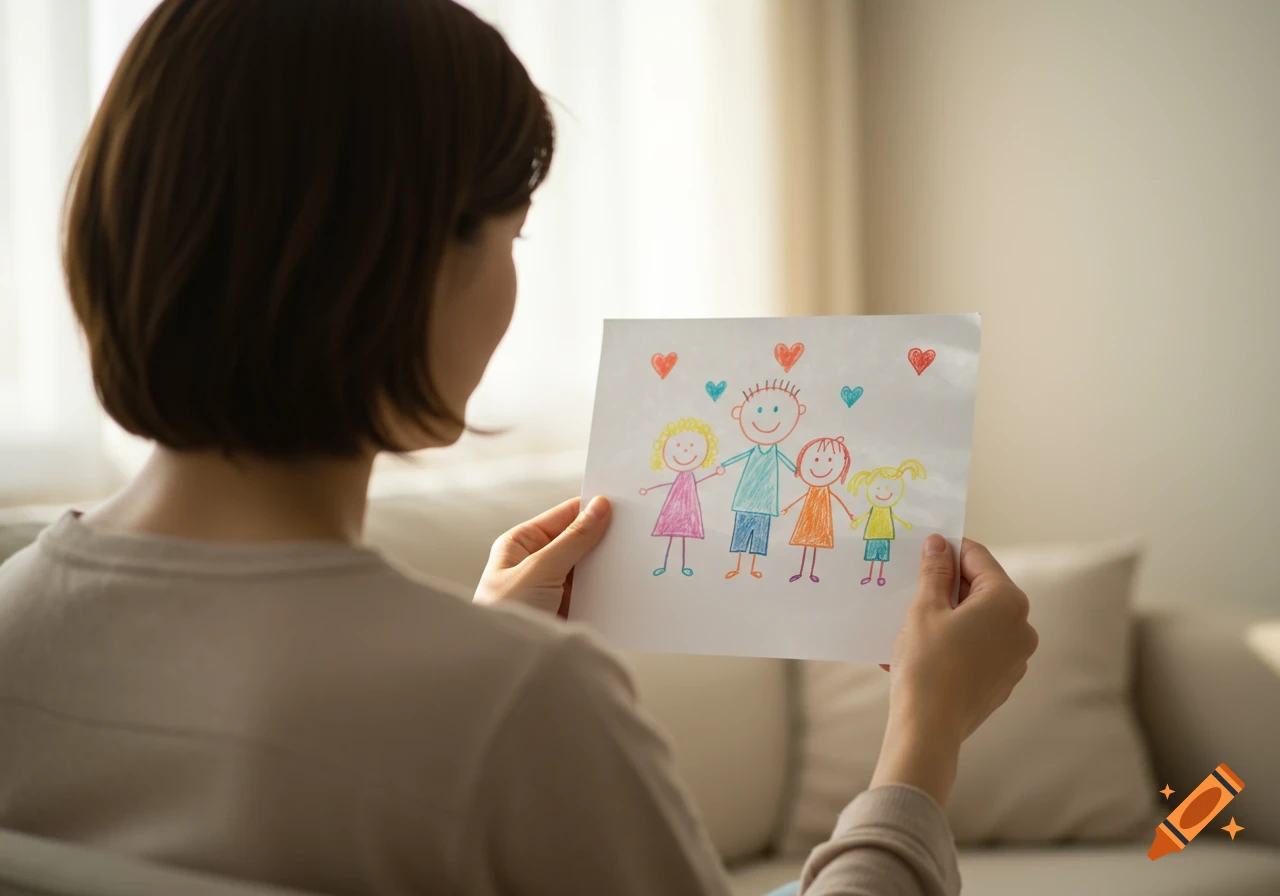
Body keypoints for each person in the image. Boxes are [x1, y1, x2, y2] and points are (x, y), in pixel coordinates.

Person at [0, 2, 1039, 895]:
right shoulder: (528, 705)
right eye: (514, 234)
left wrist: (481, 641)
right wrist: (924, 737)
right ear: (410, 260)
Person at [719, 380, 806, 580]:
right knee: (741, 535)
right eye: (758, 410)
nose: (767, 419)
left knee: (759, 537)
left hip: (765, 502)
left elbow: (788, 463)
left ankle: (752, 568)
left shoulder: (775, 451)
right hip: (745, 500)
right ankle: (738, 566)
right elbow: (739, 457)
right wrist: (724, 465)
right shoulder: (754, 450)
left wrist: (797, 471)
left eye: (776, 410)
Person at [639, 417, 725, 577]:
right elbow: (669, 485)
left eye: (692, 446)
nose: (685, 451)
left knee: (683, 538)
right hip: (674, 510)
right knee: (672, 536)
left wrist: (714, 473)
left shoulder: (691, 477)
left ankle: (683, 566)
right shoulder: (680, 477)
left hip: (687, 511)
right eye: (678, 446)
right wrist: (650, 489)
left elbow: (698, 482)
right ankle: (664, 565)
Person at [781, 436, 856, 584]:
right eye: (815, 459)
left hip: (821, 519)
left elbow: (836, 498)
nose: (822, 465)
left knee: (815, 545)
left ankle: (811, 572)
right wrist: (788, 508)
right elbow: (803, 496)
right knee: (805, 544)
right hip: (807, 518)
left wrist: (848, 513)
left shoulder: (825, 490)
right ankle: (801, 571)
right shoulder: (812, 489)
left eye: (830, 460)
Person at [849, 460, 927, 586]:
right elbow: (867, 514)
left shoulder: (887, 509)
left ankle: (880, 576)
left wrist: (903, 523)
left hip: (885, 533)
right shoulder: (875, 508)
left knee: (882, 556)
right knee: (871, 555)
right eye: (878, 488)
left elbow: (893, 516)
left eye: (887, 488)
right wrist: (858, 521)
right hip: (872, 533)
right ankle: (869, 575)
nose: (883, 492)